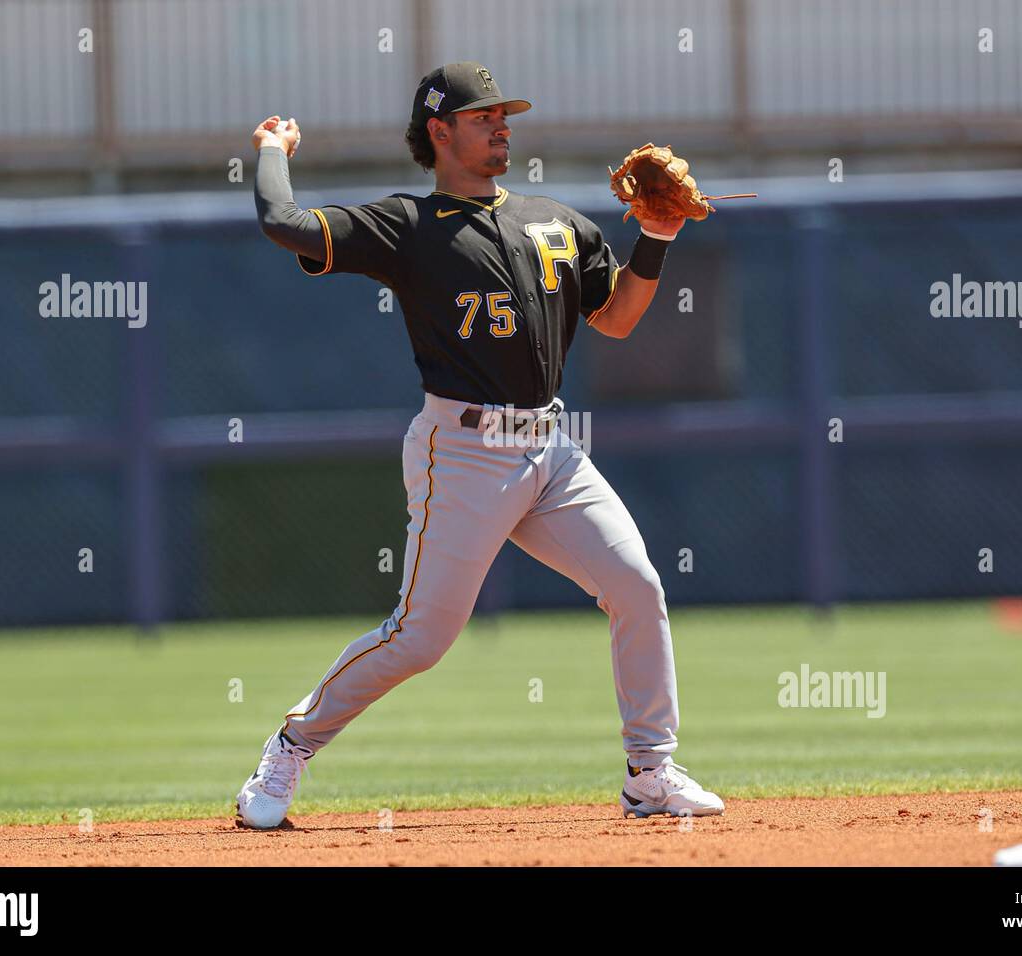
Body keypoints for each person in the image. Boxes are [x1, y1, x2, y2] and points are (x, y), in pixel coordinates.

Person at [237, 61, 723, 829]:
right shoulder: (406, 227)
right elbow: (283, 224)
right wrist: (271, 150)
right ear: (439, 131)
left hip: (552, 449)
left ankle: (650, 773)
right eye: (483, 115)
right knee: (422, 637)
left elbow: (619, 317)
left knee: (637, 588)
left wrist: (658, 236)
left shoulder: (555, 221)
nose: (501, 126)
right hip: (461, 451)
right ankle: (292, 745)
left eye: (506, 115)